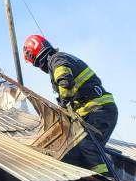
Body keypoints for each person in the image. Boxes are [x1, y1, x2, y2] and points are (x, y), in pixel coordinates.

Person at [22, 35, 117, 174]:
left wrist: (63, 107)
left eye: (36, 63)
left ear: (36, 57)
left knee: (87, 145)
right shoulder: (60, 58)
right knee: (79, 149)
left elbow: (65, 81)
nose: (39, 67)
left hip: (98, 109)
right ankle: (99, 177)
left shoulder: (56, 60)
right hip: (97, 110)